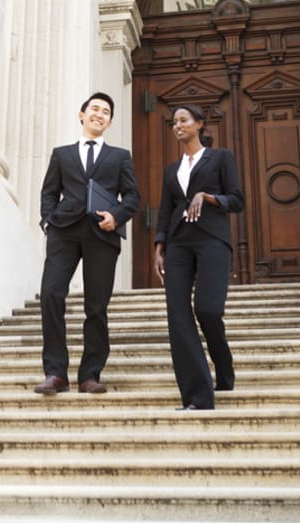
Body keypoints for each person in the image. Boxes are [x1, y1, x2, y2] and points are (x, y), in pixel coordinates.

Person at [34, 92, 140, 395]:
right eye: (94, 108)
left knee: (96, 306)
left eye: (106, 111)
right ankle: (55, 373)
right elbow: (49, 192)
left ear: (109, 121)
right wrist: (47, 221)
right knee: (51, 294)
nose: (99, 114)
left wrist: (116, 216)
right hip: (63, 232)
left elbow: (132, 197)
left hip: (102, 235)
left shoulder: (120, 157)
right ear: (82, 115)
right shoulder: (62, 154)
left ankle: (90, 374)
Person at [153, 103, 244, 410]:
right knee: (178, 317)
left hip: (212, 240)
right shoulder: (171, 170)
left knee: (206, 309)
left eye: (183, 120)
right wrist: (159, 246)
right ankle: (197, 396)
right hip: (178, 244)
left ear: (199, 124)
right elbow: (166, 210)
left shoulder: (220, 158)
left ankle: (223, 364)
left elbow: (237, 199)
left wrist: (207, 196)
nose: (177, 125)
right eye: (173, 122)